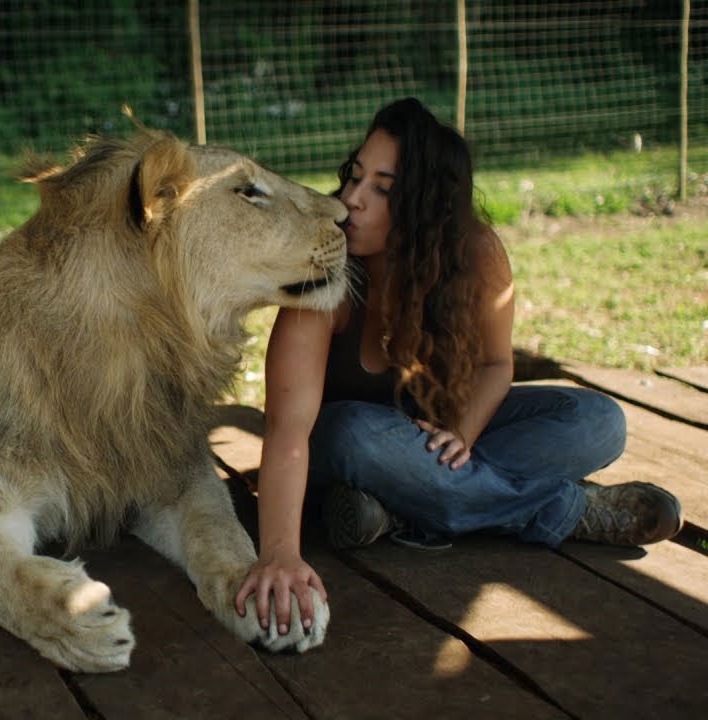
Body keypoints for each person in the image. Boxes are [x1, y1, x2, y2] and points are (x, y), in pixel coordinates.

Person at [234, 97, 683, 636]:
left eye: (383, 189)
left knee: (598, 421)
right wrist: (279, 554)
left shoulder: (475, 252)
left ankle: (400, 511)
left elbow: (495, 364)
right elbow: (287, 431)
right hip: (343, 447)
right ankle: (564, 511)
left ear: (425, 205)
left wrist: (463, 432)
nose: (350, 200)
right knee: (353, 430)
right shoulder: (325, 277)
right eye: (354, 176)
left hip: (436, 440)